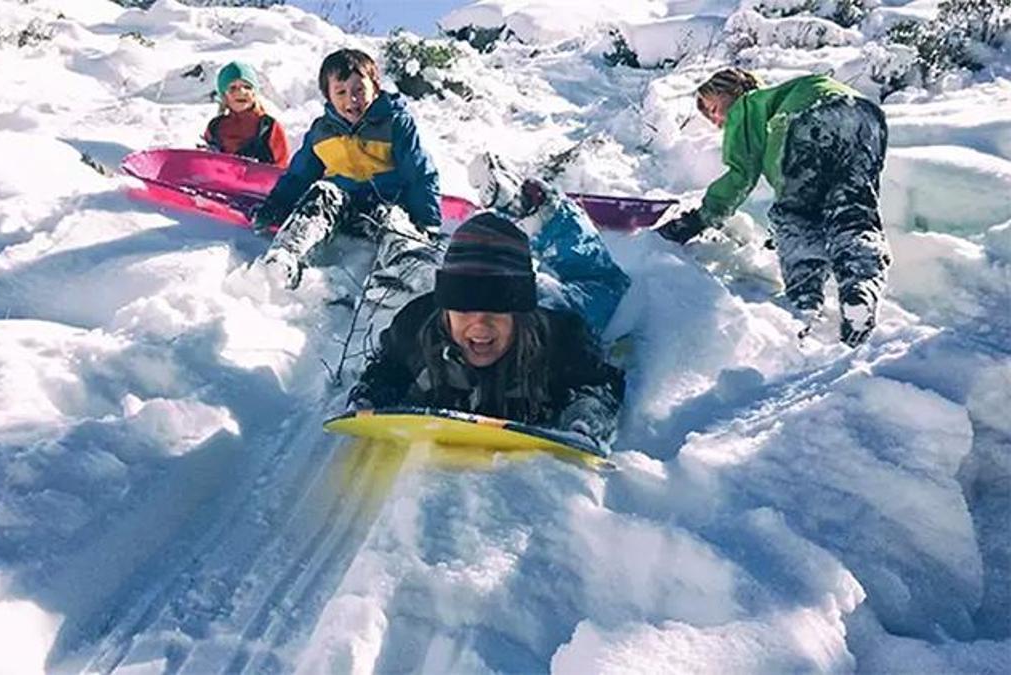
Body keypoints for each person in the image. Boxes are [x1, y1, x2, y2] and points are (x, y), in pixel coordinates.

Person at [349, 197, 630, 451]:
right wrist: (372, 396)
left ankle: (554, 214)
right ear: (446, 309)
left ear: (518, 315)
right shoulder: (415, 327)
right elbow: (389, 367)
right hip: (516, 293)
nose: (480, 324)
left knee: (604, 287)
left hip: (551, 304)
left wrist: (585, 418)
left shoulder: (563, 339)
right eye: (464, 310)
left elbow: (600, 384)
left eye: (496, 311)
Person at [656, 68, 891, 347]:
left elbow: (741, 175)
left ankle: (805, 305)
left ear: (733, 92)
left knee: (796, 217)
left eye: (714, 109)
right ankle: (860, 290)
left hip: (810, 118)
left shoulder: (747, 104)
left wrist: (699, 219)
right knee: (853, 212)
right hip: (867, 118)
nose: (717, 121)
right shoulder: (782, 96)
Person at [251, 48, 442, 292]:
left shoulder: (395, 123)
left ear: (375, 87)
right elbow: (299, 175)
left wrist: (427, 220)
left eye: (359, 90)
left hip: (386, 202)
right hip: (340, 206)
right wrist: (275, 206)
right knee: (320, 192)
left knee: (393, 217)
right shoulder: (322, 131)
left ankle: (410, 263)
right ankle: (287, 254)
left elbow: (419, 172)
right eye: (340, 92)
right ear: (328, 97)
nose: (351, 99)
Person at [200, 61, 290, 168]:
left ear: (254, 93)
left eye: (247, 87)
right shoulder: (215, 127)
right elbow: (205, 164)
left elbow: (282, 167)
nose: (241, 92)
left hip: (260, 184)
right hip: (219, 184)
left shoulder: (269, 127)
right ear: (224, 95)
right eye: (233, 88)